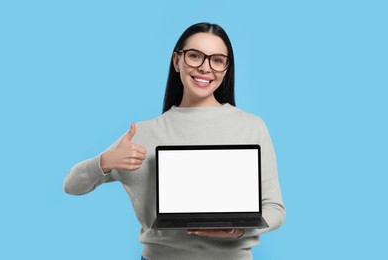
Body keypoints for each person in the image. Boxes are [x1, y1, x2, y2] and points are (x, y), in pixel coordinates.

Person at [64, 22, 285, 260]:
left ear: (226, 67)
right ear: (177, 60)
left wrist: (239, 229)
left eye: (217, 60)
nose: (204, 68)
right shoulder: (143, 134)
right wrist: (105, 161)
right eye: (194, 56)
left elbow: (274, 209)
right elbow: (72, 185)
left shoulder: (251, 127)